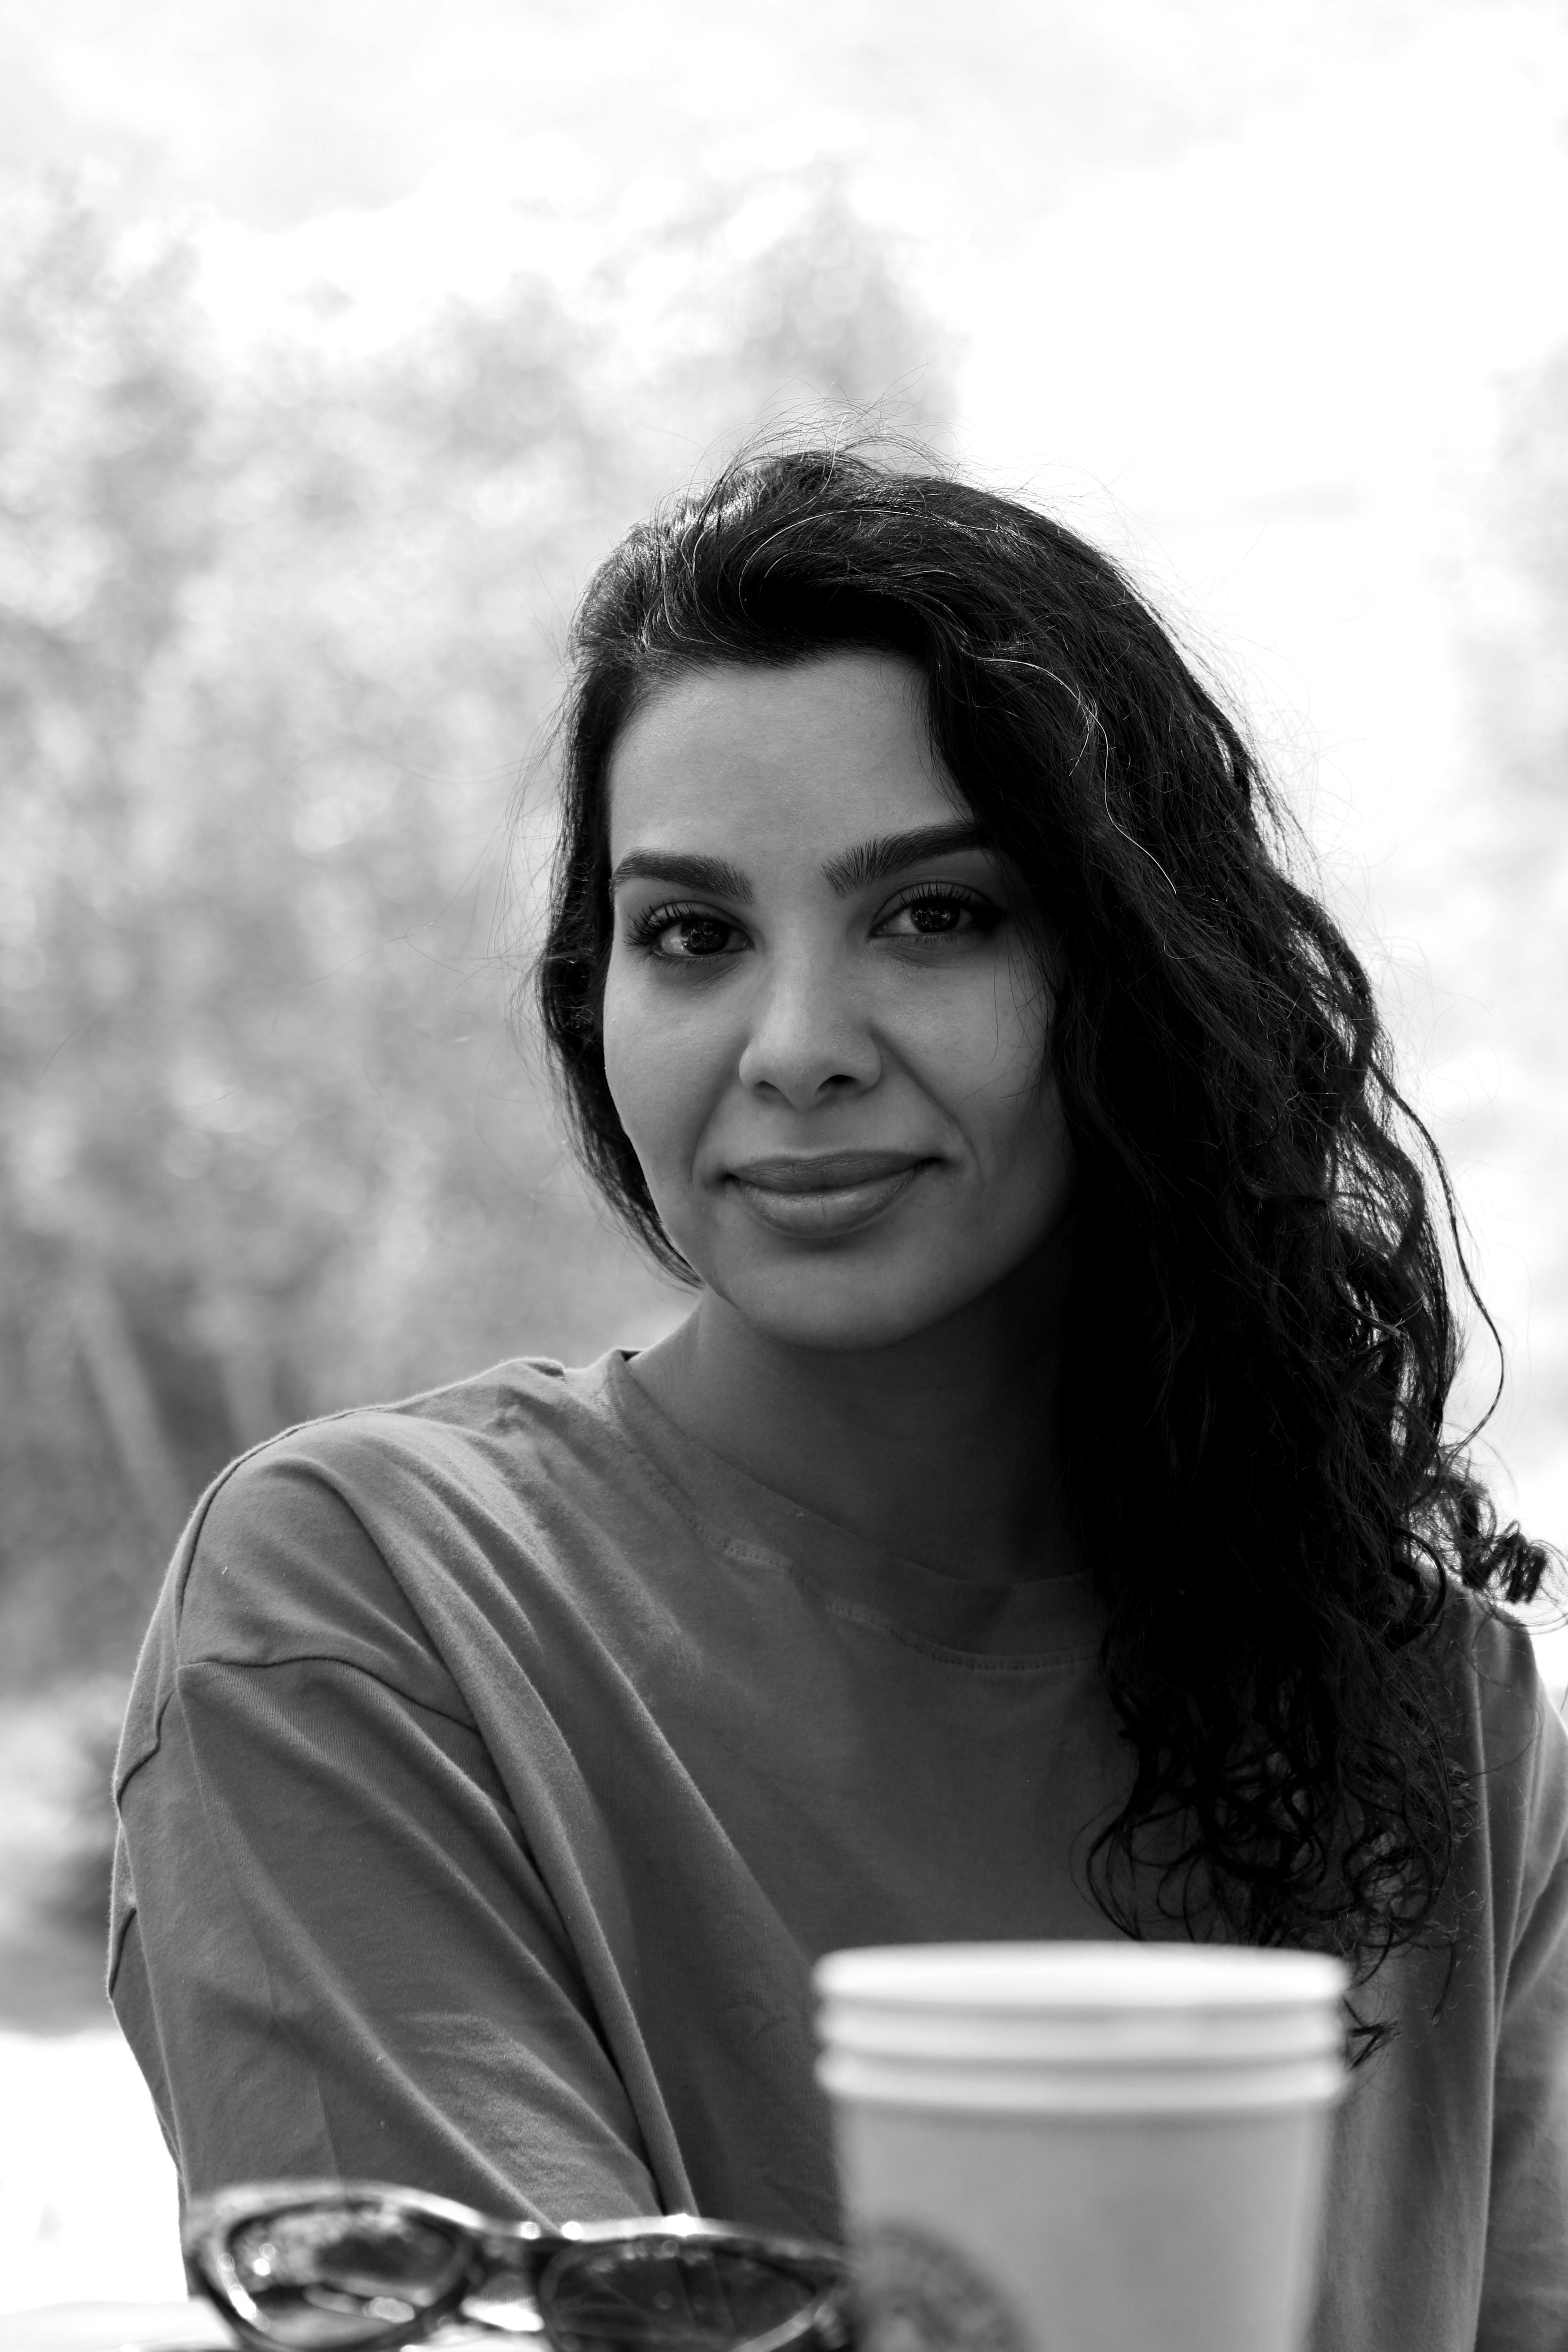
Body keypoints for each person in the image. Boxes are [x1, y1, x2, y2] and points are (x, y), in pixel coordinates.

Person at [111, 446, 1568, 2352]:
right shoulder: (370, 1603)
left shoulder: (1439, 1709)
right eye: (693, 935)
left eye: (935, 915)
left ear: (1146, 973)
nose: (794, 1049)